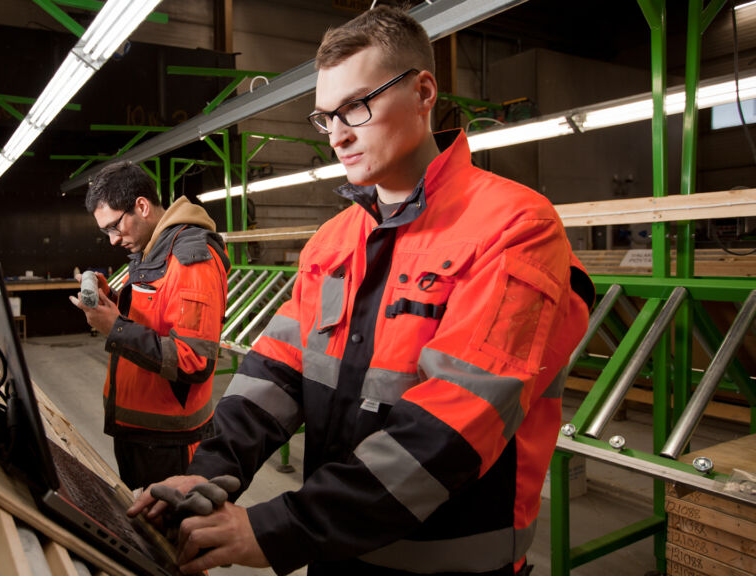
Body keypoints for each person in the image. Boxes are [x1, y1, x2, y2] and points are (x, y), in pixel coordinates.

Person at [128, 5, 595, 576]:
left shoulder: (514, 227)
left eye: (357, 106)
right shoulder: (333, 241)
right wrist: (209, 469)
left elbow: (452, 425)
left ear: (424, 92)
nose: (339, 134)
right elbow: (277, 373)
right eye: (326, 117)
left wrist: (279, 529)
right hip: (337, 551)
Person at [71, 160, 231, 490]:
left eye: (115, 227)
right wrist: (112, 301)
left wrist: (114, 327)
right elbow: (154, 315)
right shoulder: (152, 249)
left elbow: (194, 360)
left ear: (141, 206)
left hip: (169, 444)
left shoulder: (190, 258)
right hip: (142, 434)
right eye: (106, 232)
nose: (113, 240)